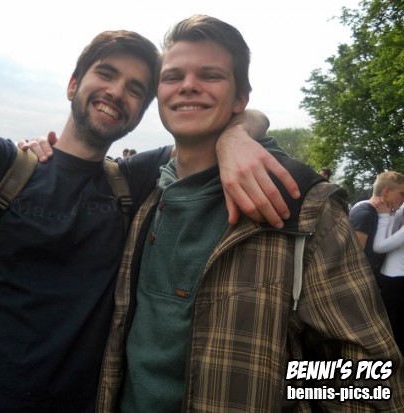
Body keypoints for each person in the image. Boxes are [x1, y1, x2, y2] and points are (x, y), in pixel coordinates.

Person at [0, 3, 302, 412]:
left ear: (142, 112)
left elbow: (219, 121)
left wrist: (236, 135)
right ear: (73, 84)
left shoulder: (133, 180)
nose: (117, 92)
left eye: (135, 89)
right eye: (106, 74)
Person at [96, 15, 404, 412]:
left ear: (241, 99)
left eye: (210, 75)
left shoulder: (304, 206)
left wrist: (277, 390)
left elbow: (374, 380)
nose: (188, 85)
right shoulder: (143, 194)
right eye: (173, 76)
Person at [350, 171, 404, 283]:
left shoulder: (385, 212)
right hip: (361, 281)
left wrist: (388, 216)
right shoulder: (364, 214)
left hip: (374, 279)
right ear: (386, 192)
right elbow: (353, 257)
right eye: (402, 194)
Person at [373, 203, 404, 353]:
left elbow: (379, 247)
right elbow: (391, 236)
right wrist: (390, 215)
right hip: (394, 279)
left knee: (393, 324)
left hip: (395, 282)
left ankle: (394, 357)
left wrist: (384, 217)